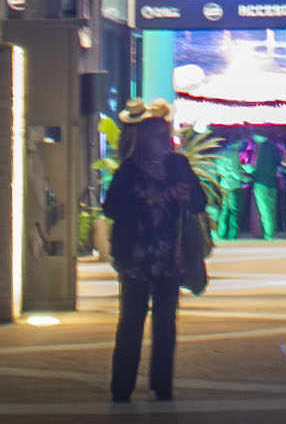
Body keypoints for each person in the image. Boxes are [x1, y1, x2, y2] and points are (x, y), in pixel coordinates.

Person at [103, 101, 206, 405]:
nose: (166, 142)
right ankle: (121, 387)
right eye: (159, 138)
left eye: (167, 136)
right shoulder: (129, 171)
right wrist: (153, 199)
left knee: (165, 324)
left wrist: (186, 195)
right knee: (131, 323)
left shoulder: (179, 166)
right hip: (135, 258)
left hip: (169, 257)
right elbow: (113, 208)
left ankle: (163, 386)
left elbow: (199, 202)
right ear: (145, 140)